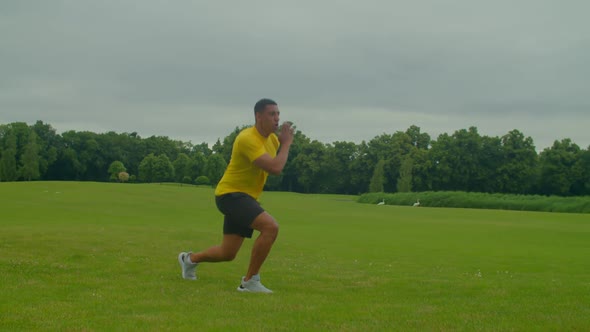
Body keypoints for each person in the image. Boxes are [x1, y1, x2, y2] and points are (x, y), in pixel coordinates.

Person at [178, 98, 294, 293]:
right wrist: (287, 144)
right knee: (270, 227)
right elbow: (275, 168)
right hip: (231, 195)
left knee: (227, 253)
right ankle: (249, 282)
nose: (277, 119)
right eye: (271, 114)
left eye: (278, 114)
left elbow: (274, 162)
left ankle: (188, 260)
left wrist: (282, 142)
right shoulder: (247, 138)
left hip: (245, 198)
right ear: (258, 116)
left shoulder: (272, 140)